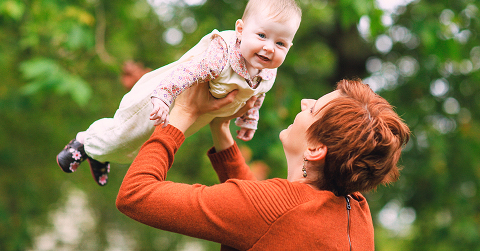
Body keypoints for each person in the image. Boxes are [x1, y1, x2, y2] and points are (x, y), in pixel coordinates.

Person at [116, 79, 410, 250]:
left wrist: (180, 116)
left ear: (316, 148)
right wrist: (221, 131)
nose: (305, 102)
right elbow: (266, 220)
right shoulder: (356, 211)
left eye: (314, 108)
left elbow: (136, 195)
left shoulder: (273, 208)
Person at [56, 0, 302, 186]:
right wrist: (163, 97)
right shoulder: (221, 56)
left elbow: (258, 95)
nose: (269, 47)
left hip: (199, 112)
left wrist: (249, 119)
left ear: (289, 46)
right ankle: (83, 143)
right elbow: (186, 73)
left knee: (140, 146)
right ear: (240, 29)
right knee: (126, 132)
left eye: (280, 43)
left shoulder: (267, 70)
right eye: (261, 36)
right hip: (167, 97)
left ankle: (100, 154)